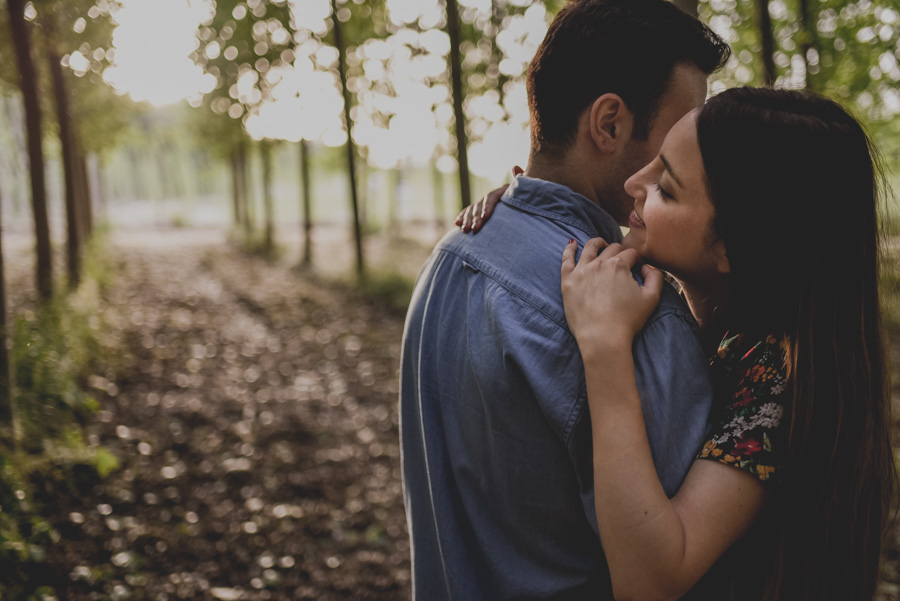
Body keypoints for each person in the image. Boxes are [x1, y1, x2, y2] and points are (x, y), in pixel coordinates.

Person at [399, 1, 730, 599]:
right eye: (678, 134)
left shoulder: (450, 258)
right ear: (608, 123)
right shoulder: (634, 315)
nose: (686, 156)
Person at [555, 87, 897, 601]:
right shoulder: (744, 334)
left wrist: (604, 346)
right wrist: (524, 206)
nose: (634, 182)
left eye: (666, 189)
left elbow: (650, 580)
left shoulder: (780, 374)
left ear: (732, 246)